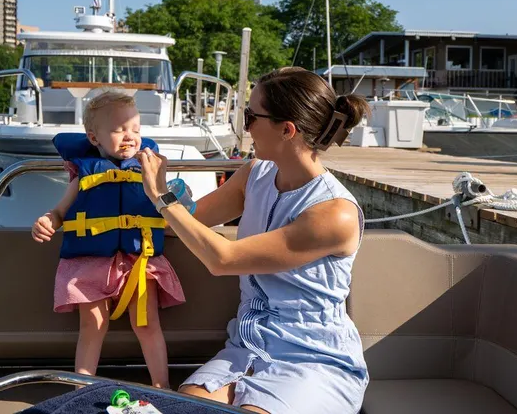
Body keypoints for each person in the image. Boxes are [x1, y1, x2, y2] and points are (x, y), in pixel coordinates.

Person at [134, 66, 371, 414]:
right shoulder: (254, 175)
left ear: (286, 130)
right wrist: (159, 190)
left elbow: (223, 260)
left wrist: (160, 196)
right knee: (186, 410)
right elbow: (183, 224)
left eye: (249, 117)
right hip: (246, 347)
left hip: (313, 359)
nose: (243, 127)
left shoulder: (335, 214)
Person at [31, 91, 185, 388]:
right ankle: (81, 388)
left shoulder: (148, 169)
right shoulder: (85, 172)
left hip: (139, 259)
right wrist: (47, 221)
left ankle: (161, 386)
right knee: (93, 326)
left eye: (136, 130)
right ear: (94, 137)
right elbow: (61, 211)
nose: (130, 136)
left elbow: (167, 205)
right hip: (89, 264)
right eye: (119, 130)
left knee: (147, 323)